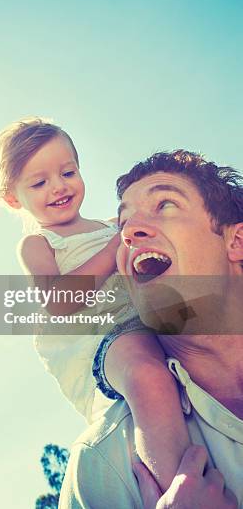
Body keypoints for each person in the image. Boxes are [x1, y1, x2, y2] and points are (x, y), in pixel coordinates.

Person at [0, 119, 193, 491]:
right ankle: (178, 484)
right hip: (107, 336)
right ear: (14, 199)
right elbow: (59, 301)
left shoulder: (111, 225)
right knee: (146, 375)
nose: (58, 187)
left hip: (150, 318)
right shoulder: (39, 244)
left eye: (67, 172)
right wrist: (114, 250)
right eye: (39, 182)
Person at [59, 150, 243, 508]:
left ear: (236, 242)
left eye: (166, 205)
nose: (128, 232)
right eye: (122, 223)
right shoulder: (104, 464)